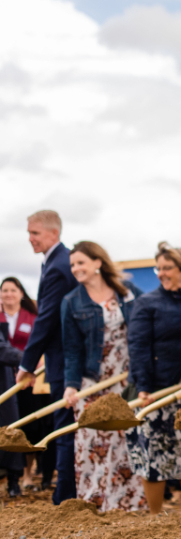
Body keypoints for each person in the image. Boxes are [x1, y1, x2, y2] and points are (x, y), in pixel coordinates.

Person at [127, 242, 181, 515]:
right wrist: (143, 387)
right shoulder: (147, 303)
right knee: (155, 453)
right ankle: (155, 515)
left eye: (168, 268)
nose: (161, 273)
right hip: (154, 390)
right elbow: (138, 347)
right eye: (159, 268)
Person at [61, 241, 145, 511]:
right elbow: (72, 351)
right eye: (73, 264)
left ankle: (128, 506)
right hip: (92, 383)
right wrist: (70, 387)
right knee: (92, 444)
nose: (76, 269)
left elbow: (146, 325)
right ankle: (94, 504)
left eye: (81, 262)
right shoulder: (72, 302)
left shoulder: (127, 292)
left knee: (125, 443)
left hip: (126, 383)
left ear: (98, 262)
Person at [16, 210, 79, 504]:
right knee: (65, 427)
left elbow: (46, 320)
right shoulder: (55, 261)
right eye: (29, 233)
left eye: (35, 233)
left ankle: (65, 495)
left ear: (54, 233)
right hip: (61, 358)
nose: (30, 238)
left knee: (64, 428)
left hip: (64, 359)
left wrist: (27, 364)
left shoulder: (58, 266)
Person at [0, 277, 34, 497]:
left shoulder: (30, 317)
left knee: (10, 428)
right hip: (13, 371)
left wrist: (29, 361)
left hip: (6, 381)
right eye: (4, 291)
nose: (8, 294)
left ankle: (14, 480)